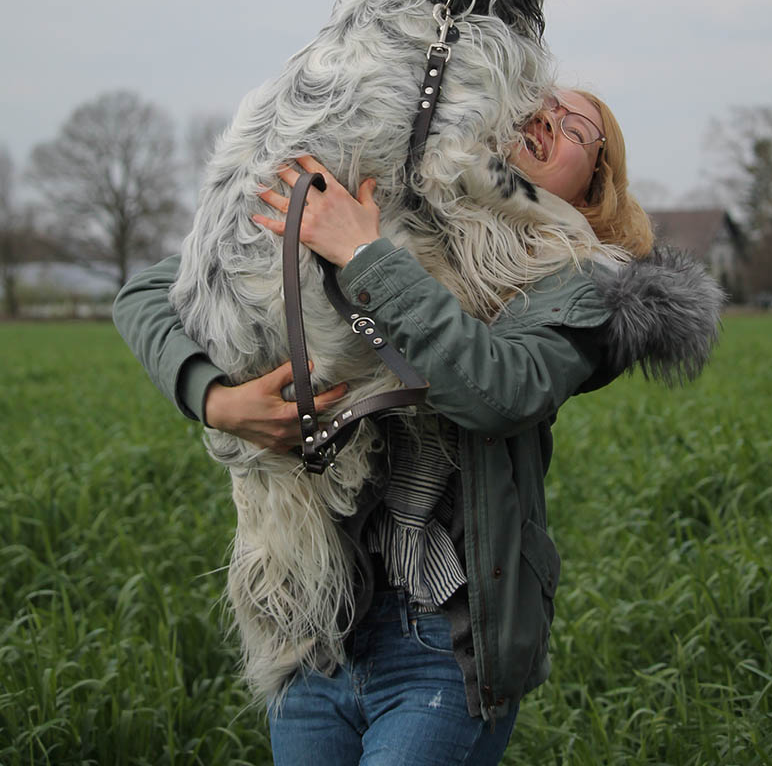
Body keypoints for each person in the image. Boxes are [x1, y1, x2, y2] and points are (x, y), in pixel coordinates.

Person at [113, 89, 721, 765]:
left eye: (576, 126)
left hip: (442, 645)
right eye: (535, 103)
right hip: (313, 626)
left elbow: (496, 388)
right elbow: (150, 291)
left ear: (595, 188)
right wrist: (216, 399)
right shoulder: (407, 219)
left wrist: (364, 253)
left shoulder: (581, 288)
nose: (547, 118)